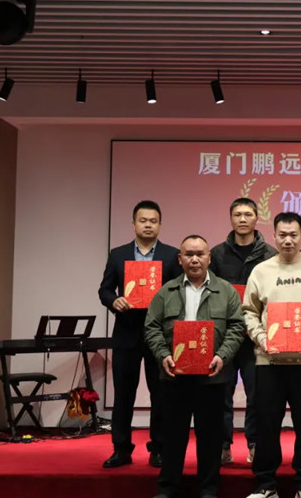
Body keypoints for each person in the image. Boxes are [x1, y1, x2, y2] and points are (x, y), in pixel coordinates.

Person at [144, 235, 246, 498]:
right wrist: (163, 355)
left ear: (209, 257)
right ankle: (168, 488)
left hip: (212, 376)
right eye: (189, 254)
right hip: (174, 376)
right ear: (180, 259)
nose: (194, 259)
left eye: (200, 254)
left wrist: (222, 356)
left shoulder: (226, 291)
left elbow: (237, 327)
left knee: (210, 438)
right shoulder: (165, 291)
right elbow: (152, 327)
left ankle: (208, 489)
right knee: (172, 436)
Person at [244, 212, 301, 498]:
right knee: (267, 424)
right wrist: (261, 337)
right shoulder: (261, 270)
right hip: (268, 361)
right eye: (282, 235)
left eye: (293, 235)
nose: (288, 240)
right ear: (273, 236)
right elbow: (249, 312)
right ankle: (265, 483)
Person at [98, 200, 181, 469]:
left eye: (153, 221)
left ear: (160, 224)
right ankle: (121, 449)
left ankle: (159, 449)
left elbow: (180, 291)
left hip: (160, 336)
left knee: (162, 395)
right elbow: (104, 290)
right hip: (127, 334)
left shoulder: (172, 255)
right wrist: (114, 301)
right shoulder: (118, 254)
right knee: (123, 395)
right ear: (133, 223)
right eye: (143, 220)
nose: (148, 225)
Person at [210, 197, 277, 465]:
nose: (242, 219)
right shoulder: (216, 254)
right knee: (221, 394)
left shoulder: (270, 254)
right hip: (224, 338)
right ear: (231, 218)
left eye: (248, 214)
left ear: (256, 218)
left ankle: (255, 444)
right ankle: (222, 446)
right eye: (237, 214)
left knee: (257, 395)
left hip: (256, 338)